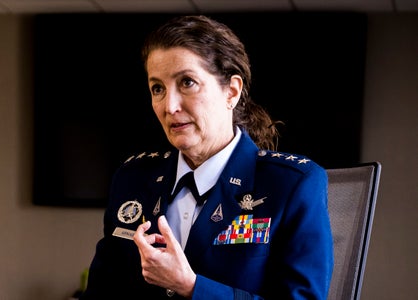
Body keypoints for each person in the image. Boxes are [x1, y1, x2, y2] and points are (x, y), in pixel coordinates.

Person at [80, 14, 333, 300]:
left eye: (187, 82)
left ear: (232, 92)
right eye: (157, 89)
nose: (169, 106)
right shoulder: (133, 179)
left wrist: (191, 286)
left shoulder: (291, 184)